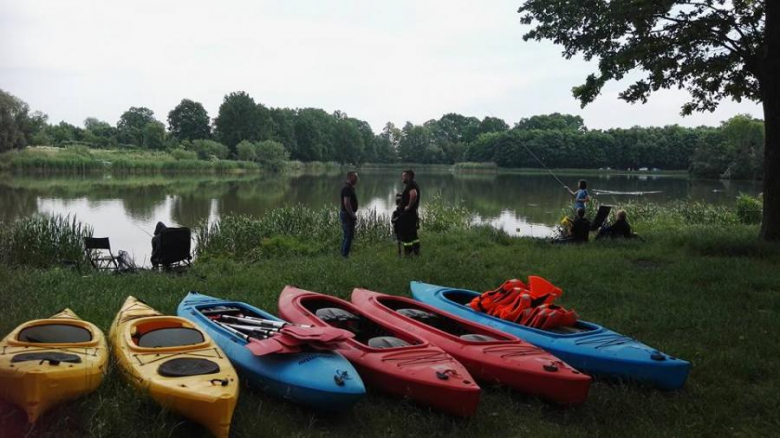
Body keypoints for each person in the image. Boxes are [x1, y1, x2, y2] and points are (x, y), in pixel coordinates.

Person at [397, 169, 421, 256]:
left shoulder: (411, 184)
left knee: (406, 234)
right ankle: (416, 251)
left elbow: (414, 195)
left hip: (408, 214)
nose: (402, 178)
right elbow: (410, 194)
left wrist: (408, 206)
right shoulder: (412, 184)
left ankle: (408, 253)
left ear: (408, 176)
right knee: (413, 233)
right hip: (412, 214)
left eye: (403, 176)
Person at [340, 171, 359, 258]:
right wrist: (352, 214)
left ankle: (343, 253)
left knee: (347, 235)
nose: (357, 179)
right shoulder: (346, 188)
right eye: (355, 177)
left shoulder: (350, 188)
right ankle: (345, 256)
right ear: (350, 177)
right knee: (348, 236)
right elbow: (346, 203)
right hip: (347, 215)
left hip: (348, 215)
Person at [391, 193, 403, 257]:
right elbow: (392, 220)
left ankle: (407, 252)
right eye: (399, 204)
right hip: (397, 229)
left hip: (404, 228)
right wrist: (397, 218)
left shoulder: (404, 211)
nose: (401, 205)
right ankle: (399, 253)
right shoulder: (395, 212)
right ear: (397, 204)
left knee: (405, 241)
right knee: (399, 242)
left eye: (402, 204)